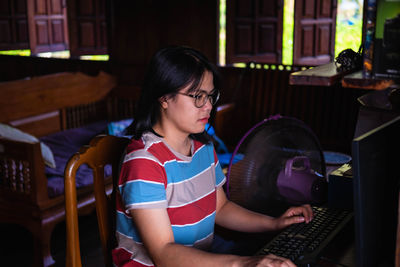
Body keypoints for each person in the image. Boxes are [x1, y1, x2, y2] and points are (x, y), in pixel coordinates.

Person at [112, 45, 313, 267]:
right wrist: (242, 264)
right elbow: (163, 253)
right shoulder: (144, 161)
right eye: (198, 96)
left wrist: (274, 223)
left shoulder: (203, 147)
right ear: (164, 98)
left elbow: (221, 208)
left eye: (210, 96)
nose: (208, 106)